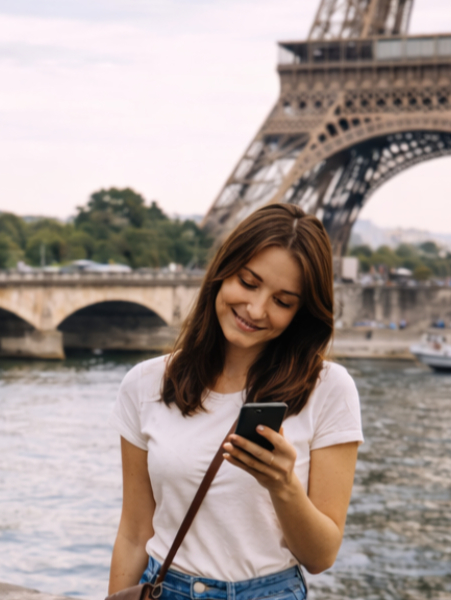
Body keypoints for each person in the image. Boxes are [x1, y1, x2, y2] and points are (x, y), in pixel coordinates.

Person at [108, 204, 363, 600]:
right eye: (248, 282)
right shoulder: (145, 384)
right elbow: (134, 533)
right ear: (222, 271)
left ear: (301, 312)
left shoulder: (329, 389)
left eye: (283, 301)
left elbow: (321, 556)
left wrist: (283, 486)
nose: (256, 309)